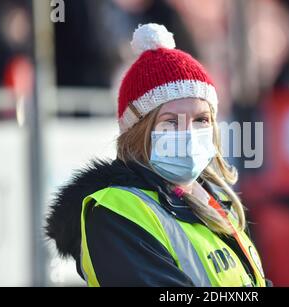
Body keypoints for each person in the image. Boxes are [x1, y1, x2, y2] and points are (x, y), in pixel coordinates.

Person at [46, 23, 271, 287]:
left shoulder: (215, 202)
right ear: (138, 131)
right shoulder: (114, 210)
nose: (188, 133)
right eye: (170, 122)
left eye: (201, 119)